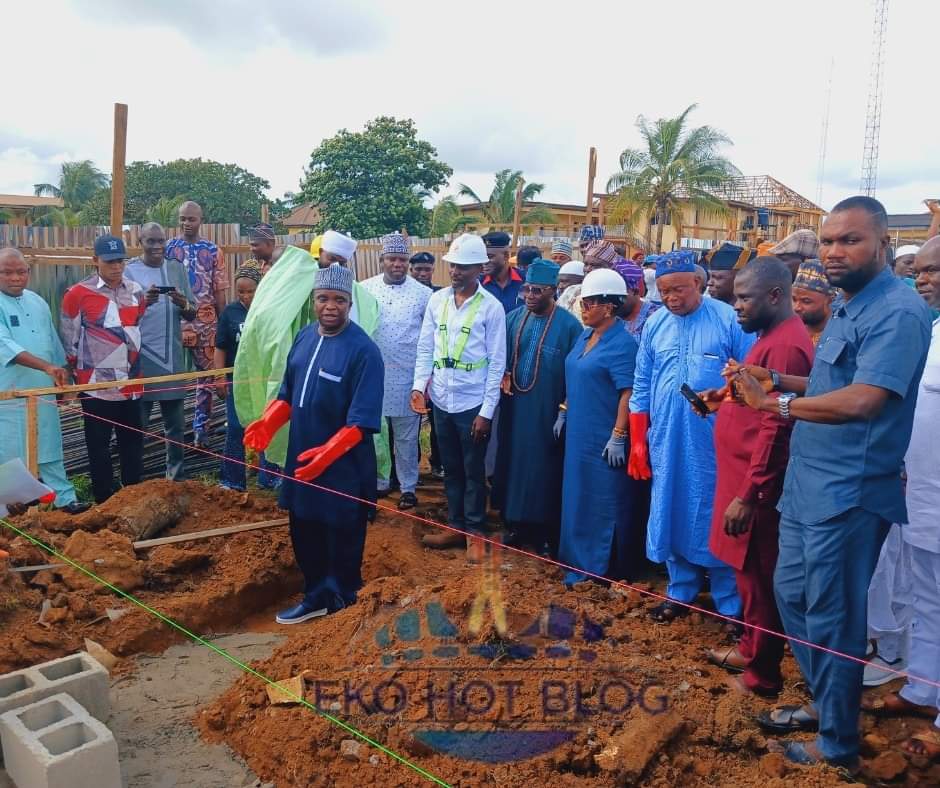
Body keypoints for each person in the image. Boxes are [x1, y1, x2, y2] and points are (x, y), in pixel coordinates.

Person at [732, 196, 932, 771]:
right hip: (807, 486)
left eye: (850, 240)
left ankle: (838, 746)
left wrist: (777, 402)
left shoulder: (896, 311)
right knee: (795, 599)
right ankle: (829, 705)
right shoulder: (848, 305)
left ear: (883, 245)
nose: (834, 251)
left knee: (833, 618)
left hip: (848, 493)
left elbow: (867, 399)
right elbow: (829, 379)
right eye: (827, 241)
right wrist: (778, 376)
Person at [244, 264, 383, 624]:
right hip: (302, 461)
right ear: (313, 301)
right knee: (304, 527)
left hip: (345, 467)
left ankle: (345, 606)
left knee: (342, 533)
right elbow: (289, 393)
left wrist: (326, 456)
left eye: (339, 299)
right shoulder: (305, 337)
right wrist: (269, 421)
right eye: (323, 298)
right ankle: (316, 595)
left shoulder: (364, 352)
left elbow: (361, 421)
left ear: (350, 304)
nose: (330, 306)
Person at [701, 257, 814, 698]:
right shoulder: (769, 337)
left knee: (761, 581)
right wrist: (723, 398)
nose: (737, 307)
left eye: (744, 298)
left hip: (758, 488)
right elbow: (755, 398)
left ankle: (762, 676)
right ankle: (750, 649)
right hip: (740, 477)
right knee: (747, 578)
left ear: (774, 296)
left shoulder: (786, 345)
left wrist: (749, 493)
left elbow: (777, 425)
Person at [628, 250, 754, 624]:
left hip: (715, 441)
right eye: (664, 291)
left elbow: (750, 379)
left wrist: (722, 401)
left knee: (714, 511)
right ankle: (680, 592)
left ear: (698, 283)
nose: (671, 298)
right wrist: (637, 437)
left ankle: (729, 602)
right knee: (670, 508)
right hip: (666, 436)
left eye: (679, 290)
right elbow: (642, 383)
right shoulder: (655, 324)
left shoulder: (728, 319)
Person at [862, 238, 940, 759]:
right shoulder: (930, 333)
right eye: (922, 271)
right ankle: (922, 688)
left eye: (936, 271)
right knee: (925, 598)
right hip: (920, 496)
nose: (924, 279)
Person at [411, 234, 506, 560]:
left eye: (464, 267)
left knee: (473, 470)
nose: (456, 272)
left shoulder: (491, 308)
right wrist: (418, 386)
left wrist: (486, 412)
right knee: (450, 468)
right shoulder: (437, 302)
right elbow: (426, 347)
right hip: (441, 399)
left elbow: (497, 363)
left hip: (472, 403)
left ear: (480, 268)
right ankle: (455, 525)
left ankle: (475, 531)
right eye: (453, 265)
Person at [558, 269, 638, 585]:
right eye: (583, 301)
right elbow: (575, 371)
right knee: (577, 494)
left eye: (590, 303)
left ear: (609, 306)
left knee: (602, 497)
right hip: (579, 428)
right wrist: (563, 410)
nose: (583, 308)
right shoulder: (585, 335)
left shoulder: (622, 344)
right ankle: (576, 558)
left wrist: (619, 435)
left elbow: (628, 392)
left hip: (604, 433)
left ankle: (600, 566)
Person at [495, 260, 580, 555]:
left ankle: (543, 532)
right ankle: (515, 525)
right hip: (514, 408)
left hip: (547, 411)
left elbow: (576, 373)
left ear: (553, 290)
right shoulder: (513, 318)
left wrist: (565, 409)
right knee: (512, 464)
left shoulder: (570, 326)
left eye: (538, 290)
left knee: (544, 468)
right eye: (526, 289)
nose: (530, 295)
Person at [61, 235, 149, 503]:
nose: (116, 267)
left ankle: (132, 501)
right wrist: (79, 377)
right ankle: (104, 503)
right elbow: (69, 340)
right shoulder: (77, 294)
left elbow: (136, 326)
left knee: (132, 446)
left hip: (131, 384)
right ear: (95, 261)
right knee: (98, 448)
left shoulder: (136, 291)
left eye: (120, 261)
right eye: (110, 261)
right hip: (96, 386)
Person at [0, 249, 87, 513]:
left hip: (44, 392)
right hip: (10, 395)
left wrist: (63, 377)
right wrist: (47, 366)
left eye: (21, 271)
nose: (15, 278)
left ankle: (64, 501)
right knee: (10, 453)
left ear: (29, 272)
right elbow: (5, 346)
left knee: (49, 448)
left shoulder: (37, 301)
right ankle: (10, 509)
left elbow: (52, 345)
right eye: (7, 272)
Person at [361, 233, 432, 510]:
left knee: (406, 437)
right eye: (392, 259)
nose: (397, 264)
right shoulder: (364, 290)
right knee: (376, 434)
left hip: (407, 378)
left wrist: (423, 382)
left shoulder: (424, 295)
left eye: (402, 259)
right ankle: (380, 480)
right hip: (374, 376)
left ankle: (408, 487)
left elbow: (429, 340)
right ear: (382, 261)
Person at [125, 223, 196, 481]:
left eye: (160, 241)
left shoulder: (176, 268)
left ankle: (175, 479)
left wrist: (183, 302)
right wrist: (144, 302)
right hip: (140, 360)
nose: (157, 247)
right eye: (150, 241)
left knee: (175, 426)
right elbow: (120, 315)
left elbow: (192, 312)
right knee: (137, 425)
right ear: (140, 241)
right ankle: (134, 481)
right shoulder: (129, 271)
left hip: (172, 359)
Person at [164, 201, 227, 448]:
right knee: (169, 375)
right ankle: (172, 431)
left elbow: (219, 290)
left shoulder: (212, 250)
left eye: (191, 219)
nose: (186, 223)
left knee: (207, 378)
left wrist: (223, 324)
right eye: (182, 219)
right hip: (175, 322)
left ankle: (201, 430)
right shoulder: (169, 248)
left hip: (207, 322)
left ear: (201, 220)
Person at [214, 266, 261, 491]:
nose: (245, 296)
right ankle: (232, 480)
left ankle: (269, 478)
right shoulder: (230, 313)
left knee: (266, 424)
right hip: (237, 381)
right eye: (241, 292)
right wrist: (219, 376)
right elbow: (220, 347)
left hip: (262, 380)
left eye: (250, 291)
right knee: (235, 427)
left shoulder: (267, 309)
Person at [408, 251, 443, 476]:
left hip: (437, 365)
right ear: (411, 270)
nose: (422, 273)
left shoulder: (441, 295)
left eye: (426, 269)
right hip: (409, 365)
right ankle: (409, 467)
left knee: (437, 421)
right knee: (408, 422)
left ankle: (437, 462)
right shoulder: (406, 295)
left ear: (433, 269)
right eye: (418, 269)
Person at [559, 240, 618, 324]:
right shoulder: (572, 291)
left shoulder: (617, 296)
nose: (588, 269)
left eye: (595, 265)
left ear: (610, 268)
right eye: (586, 264)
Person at [791, 259, 834, 347]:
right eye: (794, 299)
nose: (796, 307)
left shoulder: (839, 335)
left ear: (829, 301)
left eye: (806, 301)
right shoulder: (789, 330)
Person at [614, 257, 659, 341]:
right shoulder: (610, 316)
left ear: (635, 291)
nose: (612, 300)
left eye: (619, 295)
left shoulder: (656, 318)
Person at [481, 231, 523, 313]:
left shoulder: (525, 281)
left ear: (506, 256)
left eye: (490, 256)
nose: (484, 261)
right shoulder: (477, 284)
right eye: (483, 257)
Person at [704, 241, 756, 305]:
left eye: (717, 278)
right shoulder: (706, 307)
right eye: (710, 276)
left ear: (740, 279)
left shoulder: (754, 312)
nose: (709, 283)